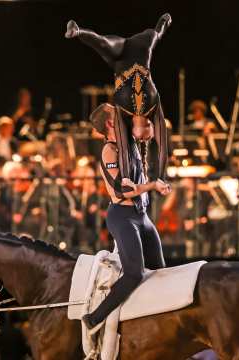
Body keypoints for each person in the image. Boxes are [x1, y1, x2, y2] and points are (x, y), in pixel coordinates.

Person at [66, 14, 172, 332]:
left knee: (161, 271)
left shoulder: (129, 146)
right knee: (135, 273)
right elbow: (122, 191)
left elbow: (143, 129)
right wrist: (152, 184)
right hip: (123, 217)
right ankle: (94, 318)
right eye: (117, 117)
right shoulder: (110, 151)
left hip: (141, 217)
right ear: (110, 125)